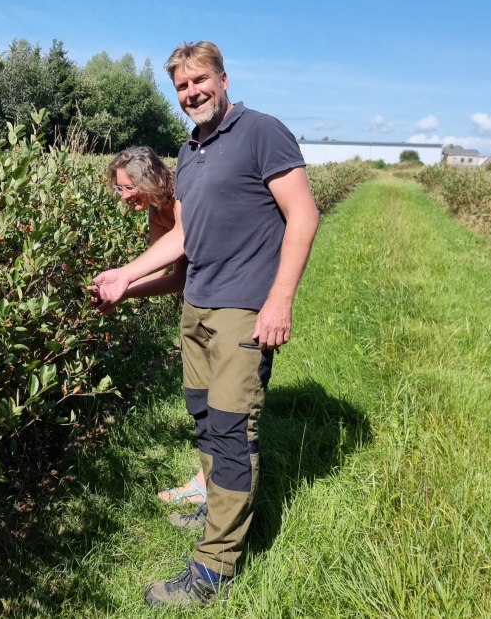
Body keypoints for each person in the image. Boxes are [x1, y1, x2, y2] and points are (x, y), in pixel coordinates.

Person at [91, 41, 320, 607]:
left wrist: (279, 300)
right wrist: (125, 275)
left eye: (200, 81)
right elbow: (183, 237)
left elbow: (304, 214)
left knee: (232, 431)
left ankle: (214, 567)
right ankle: (220, 517)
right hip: (198, 307)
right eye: (181, 87)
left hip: (244, 306)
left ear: (222, 78)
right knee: (204, 420)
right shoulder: (189, 151)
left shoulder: (261, 131)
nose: (191, 93)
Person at [95, 147, 207, 506]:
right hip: (198, 300)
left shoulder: (184, 196)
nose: (125, 197)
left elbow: (185, 239)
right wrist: (122, 295)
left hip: (231, 297)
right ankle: (208, 482)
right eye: (119, 190)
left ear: (150, 178)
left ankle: (214, 488)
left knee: (225, 401)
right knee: (203, 399)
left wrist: (124, 277)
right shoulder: (159, 214)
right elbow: (173, 278)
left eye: (129, 188)